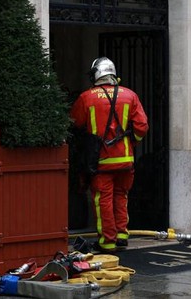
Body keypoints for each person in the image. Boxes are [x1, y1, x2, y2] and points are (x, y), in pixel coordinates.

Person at [70, 57, 148, 253]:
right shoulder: (130, 95)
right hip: (126, 160)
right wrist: (132, 143)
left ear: (96, 74)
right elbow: (142, 126)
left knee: (102, 199)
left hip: (101, 160)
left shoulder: (86, 97)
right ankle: (122, 236)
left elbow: (75, 124)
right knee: (121, 196)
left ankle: (107, 241)